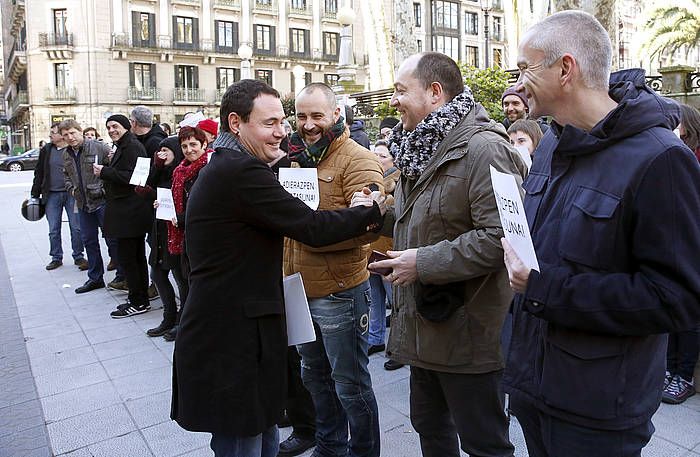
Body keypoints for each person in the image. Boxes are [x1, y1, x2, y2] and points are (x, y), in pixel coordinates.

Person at [500, 11, 700, 457]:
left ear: (565, 69)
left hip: (598, 410)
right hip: (534, 387)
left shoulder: (661, 159)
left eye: (524, 69)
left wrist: (543, 288)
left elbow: (678, 297)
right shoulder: (553, 142)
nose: (515, 84)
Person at [170, 79, 386, 457]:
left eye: (284, 121)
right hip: (232, 337)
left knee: (265, 430)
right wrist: (371, 210)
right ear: (235, 123)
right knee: (243, 439)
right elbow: (311, 228)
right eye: (272, 122)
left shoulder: (236, 165)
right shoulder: (240, 172)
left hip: (248, 327)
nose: (284, 130)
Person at [370, 51, 524, 457]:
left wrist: (421, 263)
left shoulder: (486, 149)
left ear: (435, 93)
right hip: (423, 330)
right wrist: (377, 215)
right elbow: (423, 220)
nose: (393, 101)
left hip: (469, 335)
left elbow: (501, 238)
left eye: (402, 91)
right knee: (431, 431)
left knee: (484, 443)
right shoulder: (418, 147)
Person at [285, 82, 384, 457]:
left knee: (350, 385)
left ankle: (362, 452)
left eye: (317, 116)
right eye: (302, 116)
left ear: (336, 114)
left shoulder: (356, 159)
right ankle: (329, 447)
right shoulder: (295, 158)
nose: (308, 124)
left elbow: (366, 228)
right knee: (314, 377)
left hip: (339, 293)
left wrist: (311, 232)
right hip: (297, 289)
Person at [95, 114, 154, 318]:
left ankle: (138, 301)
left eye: (115, 126)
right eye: (109, 127)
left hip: (130, 211)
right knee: (133, 258)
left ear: (127, 126)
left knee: (131, 258)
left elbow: (135, 178)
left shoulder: (132, 146)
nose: (111, 130)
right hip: (126, 211)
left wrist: (104, 171)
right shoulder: (124, 145)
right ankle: (137, 298)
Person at [662, 103, 700, 405]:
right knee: (672, 309)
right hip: (673, 243)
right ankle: (669, 370)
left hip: (692, 246)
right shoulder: (669, 152)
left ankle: (683, 376)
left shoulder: (691, 156)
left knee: (689, 314)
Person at [158, 126, 209, 342]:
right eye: (185, 146)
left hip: (201, 236)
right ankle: (187, 324)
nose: (189, 150)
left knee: (196, 285)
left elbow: (206, 204)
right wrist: (163, 205)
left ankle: (192, 326)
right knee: (185, 282)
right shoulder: (179, 170)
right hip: (181, 234)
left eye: (193, 145)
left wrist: (180, 217)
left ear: (204, 145)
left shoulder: (208, 168)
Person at [135, 135, 189, 338]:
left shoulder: (180, 173)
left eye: (166, 150)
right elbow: (146, 185)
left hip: (174, 232)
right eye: (160, 151)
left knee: (180, 279)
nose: (162, 154)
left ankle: (181, 321)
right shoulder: (161, 171)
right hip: (158, 230)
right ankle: (168, 316)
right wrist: (156, 167)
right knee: (157, 274)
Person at [60, 119, 122, 294]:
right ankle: (95, 278)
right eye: (66, 135)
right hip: (82, 203)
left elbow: (114, 168)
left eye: (72, 133)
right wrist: (71, 190)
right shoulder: (66, 154)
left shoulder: (98, 147)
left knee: (112, 238)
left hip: (102, 201)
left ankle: (121, 274)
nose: (70, 137)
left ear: (80, 131)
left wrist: (104, 189)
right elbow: (66, 175)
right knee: (89, 240)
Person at [31, 122, 87, 271]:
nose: (50, 135)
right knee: (53, 228)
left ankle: (79, 256)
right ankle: (56, 257)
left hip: (72, 195)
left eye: (53, 133)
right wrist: (34, 194)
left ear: (61, 135)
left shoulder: (73, 149)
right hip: (52, 196)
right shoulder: (47, 150)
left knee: (76, 227)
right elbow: (39, 172)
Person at [367, 140, 401, 368]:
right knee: (375, 298)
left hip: (390, 248)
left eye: (382, 155)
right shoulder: (370, 180)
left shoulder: (399, 182)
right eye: (375, 155)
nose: (377, 159)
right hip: (371, 248)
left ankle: (398, 348)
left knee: (395, 300)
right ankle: (375, 337)